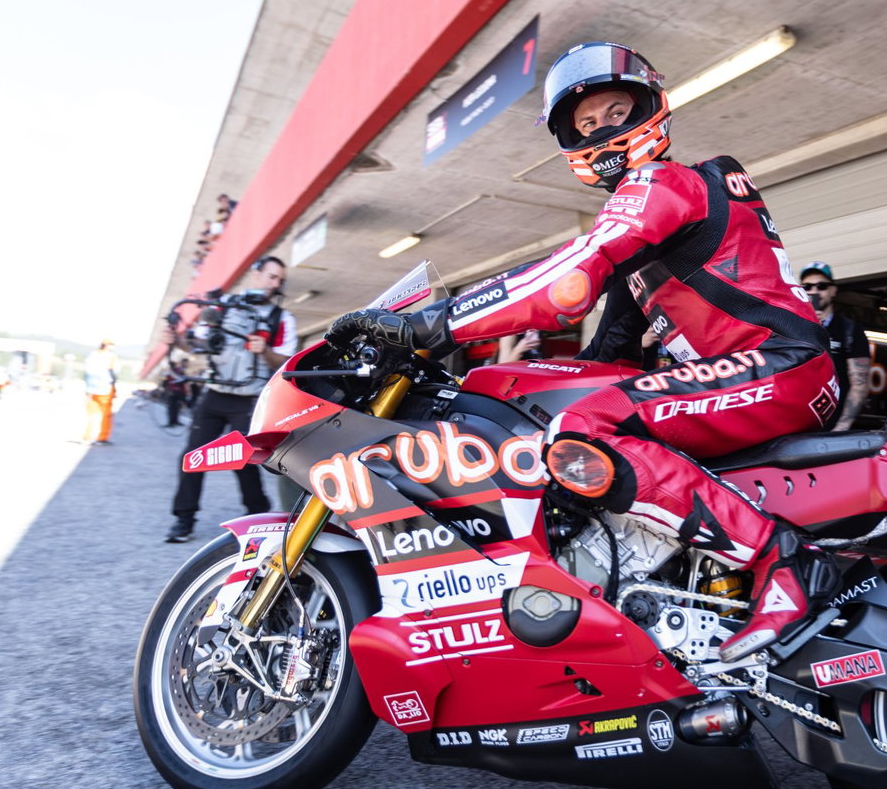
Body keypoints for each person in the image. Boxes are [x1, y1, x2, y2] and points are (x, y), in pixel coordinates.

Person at [328, 42, 838, 660]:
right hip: (758, 374)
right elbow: (611, 352)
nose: (603, 131)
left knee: (582, 428)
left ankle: (780, 562)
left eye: (616, 112)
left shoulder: (664, 182)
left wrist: (427, 326)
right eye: (587, 125)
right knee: (566, 415)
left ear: (650, 108)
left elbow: (565, 284)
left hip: (781, 365)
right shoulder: (645, 228)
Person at [164, 256, 299, 543]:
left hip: (249, 398)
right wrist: (176, 340)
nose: (275, 283)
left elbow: (286, 362)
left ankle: (257, 514)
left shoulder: (281, 318)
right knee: (192, 456)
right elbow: (197, 345)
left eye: (279, 279)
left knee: (245, 462)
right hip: (214, 394)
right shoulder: (221, 307)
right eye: (271, 276)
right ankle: (183, 519)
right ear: (256, 275)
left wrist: (264, 350)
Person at [799, 261, 871, 430]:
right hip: (795, 424)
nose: (814, 292)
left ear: (833, 290)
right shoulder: (792, 326)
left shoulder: (849, 330)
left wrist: (842, 426)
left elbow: (859, 384)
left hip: (832, 426)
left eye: (821, 286)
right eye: (807, 287)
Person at [81, 340, 118, 445]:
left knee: (91, 414)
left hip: (91, 389)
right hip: (105, 388)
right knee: (106, 414)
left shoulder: (92, 355)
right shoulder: (110, 356)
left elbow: (87, 373)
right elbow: (112, 372)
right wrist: (114, 387)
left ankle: (87, 437)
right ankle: (102, 437)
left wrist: (88, 388)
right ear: (107, 346)